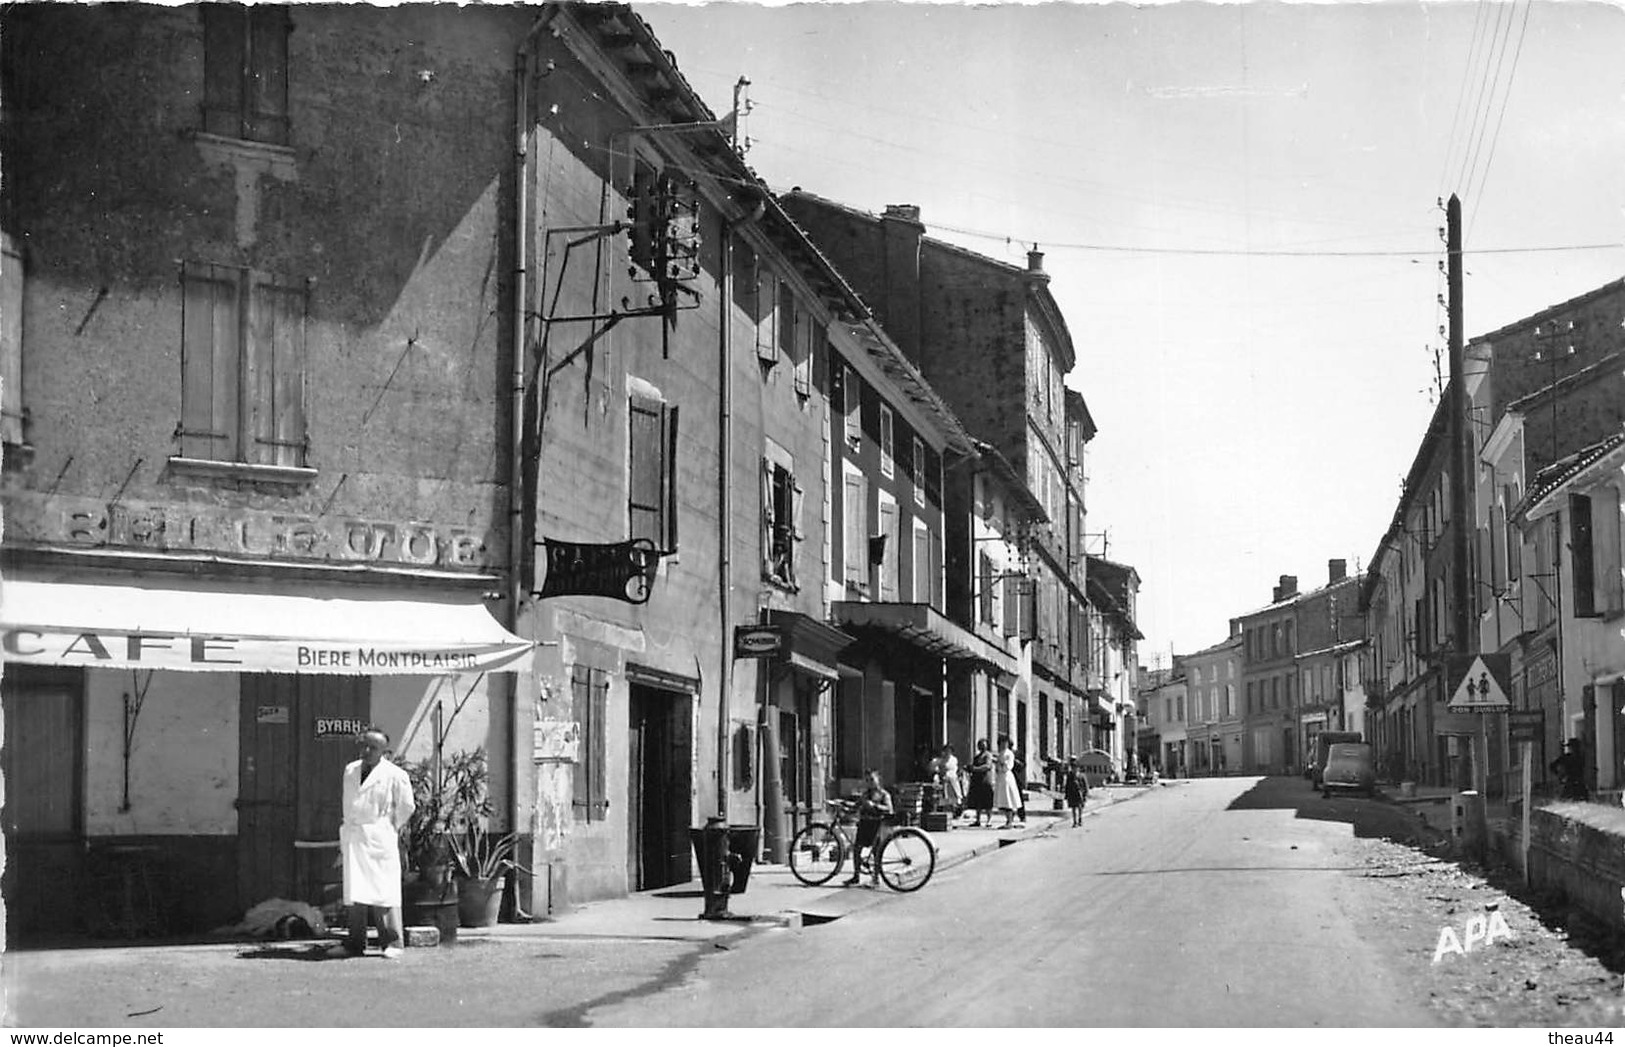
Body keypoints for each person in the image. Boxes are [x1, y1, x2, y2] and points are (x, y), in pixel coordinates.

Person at [329, 727, 415, 959]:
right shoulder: (350, 770)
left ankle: (393, 943)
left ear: (384, 751)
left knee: (382, 892)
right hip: (354, 836)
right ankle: (354, 943)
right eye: (364, 746)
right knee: (355, 893)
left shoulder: (396, 775)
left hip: (379, 837)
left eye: (373, 747)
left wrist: (387, 827)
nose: (367, 751)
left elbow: (407, 806)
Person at [845, 769, 894, 887]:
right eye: (867, 780)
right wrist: (845, 805)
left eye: (872, 779)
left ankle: (876, 879)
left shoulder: (884, 794)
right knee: (857, 849)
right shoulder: (865, 794)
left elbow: (889, 809)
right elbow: (856, 806)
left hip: (877, 824)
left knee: (877, 852)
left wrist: (875, 805)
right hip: (864, 823)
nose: (870, 783)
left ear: (878, 780)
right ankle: (856, 876)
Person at [993, 736, 1023, 829]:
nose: (1003, 744)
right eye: (1001, 743)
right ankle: (1008, 819)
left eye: (1005, 743)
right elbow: (997, 766)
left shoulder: (1009, 754)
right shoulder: (1001, 753)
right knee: (1003, 799)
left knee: (1008, 798)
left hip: (1006, 776)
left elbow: (1008, 766)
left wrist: (1002, 764)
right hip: (1001, 777)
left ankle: (1010, 820)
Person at [965, 739, 996, 827]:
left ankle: (989, 820)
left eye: (984, 745)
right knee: (977, 801)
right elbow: (973, 766)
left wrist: (975, 769)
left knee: (987, 801)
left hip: (986, 780)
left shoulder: (988, 755)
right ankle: (977, 820)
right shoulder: (976, 757)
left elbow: (988, 766)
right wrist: (969, 768)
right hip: (977, 780)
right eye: (980, 745)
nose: (982, 747)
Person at [936, 744, 964, 817]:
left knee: (954, 796)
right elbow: (939, 769)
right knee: (945, 796)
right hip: (945, 779)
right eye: (946, 750)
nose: (947, 752)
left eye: (949, 750)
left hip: (953, 779)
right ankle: (946, 811)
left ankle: (955, 811)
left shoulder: (954, 759)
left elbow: (956, 769)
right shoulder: (941, 760)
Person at [1063, 757, 1089, 827]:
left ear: (1078, 768)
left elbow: (1085, 785)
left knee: (1080, 807)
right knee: (1073, 808)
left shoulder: (1081, 776)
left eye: (1075, 767)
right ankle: (1075, 822)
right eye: (1072, 767)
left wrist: (1085, 794)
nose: (1074, 769)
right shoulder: (1070, 775)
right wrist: (1066, 794)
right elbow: (1067, 785)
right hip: (1072, 794)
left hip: (1080, 794)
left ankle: (1080, 819)